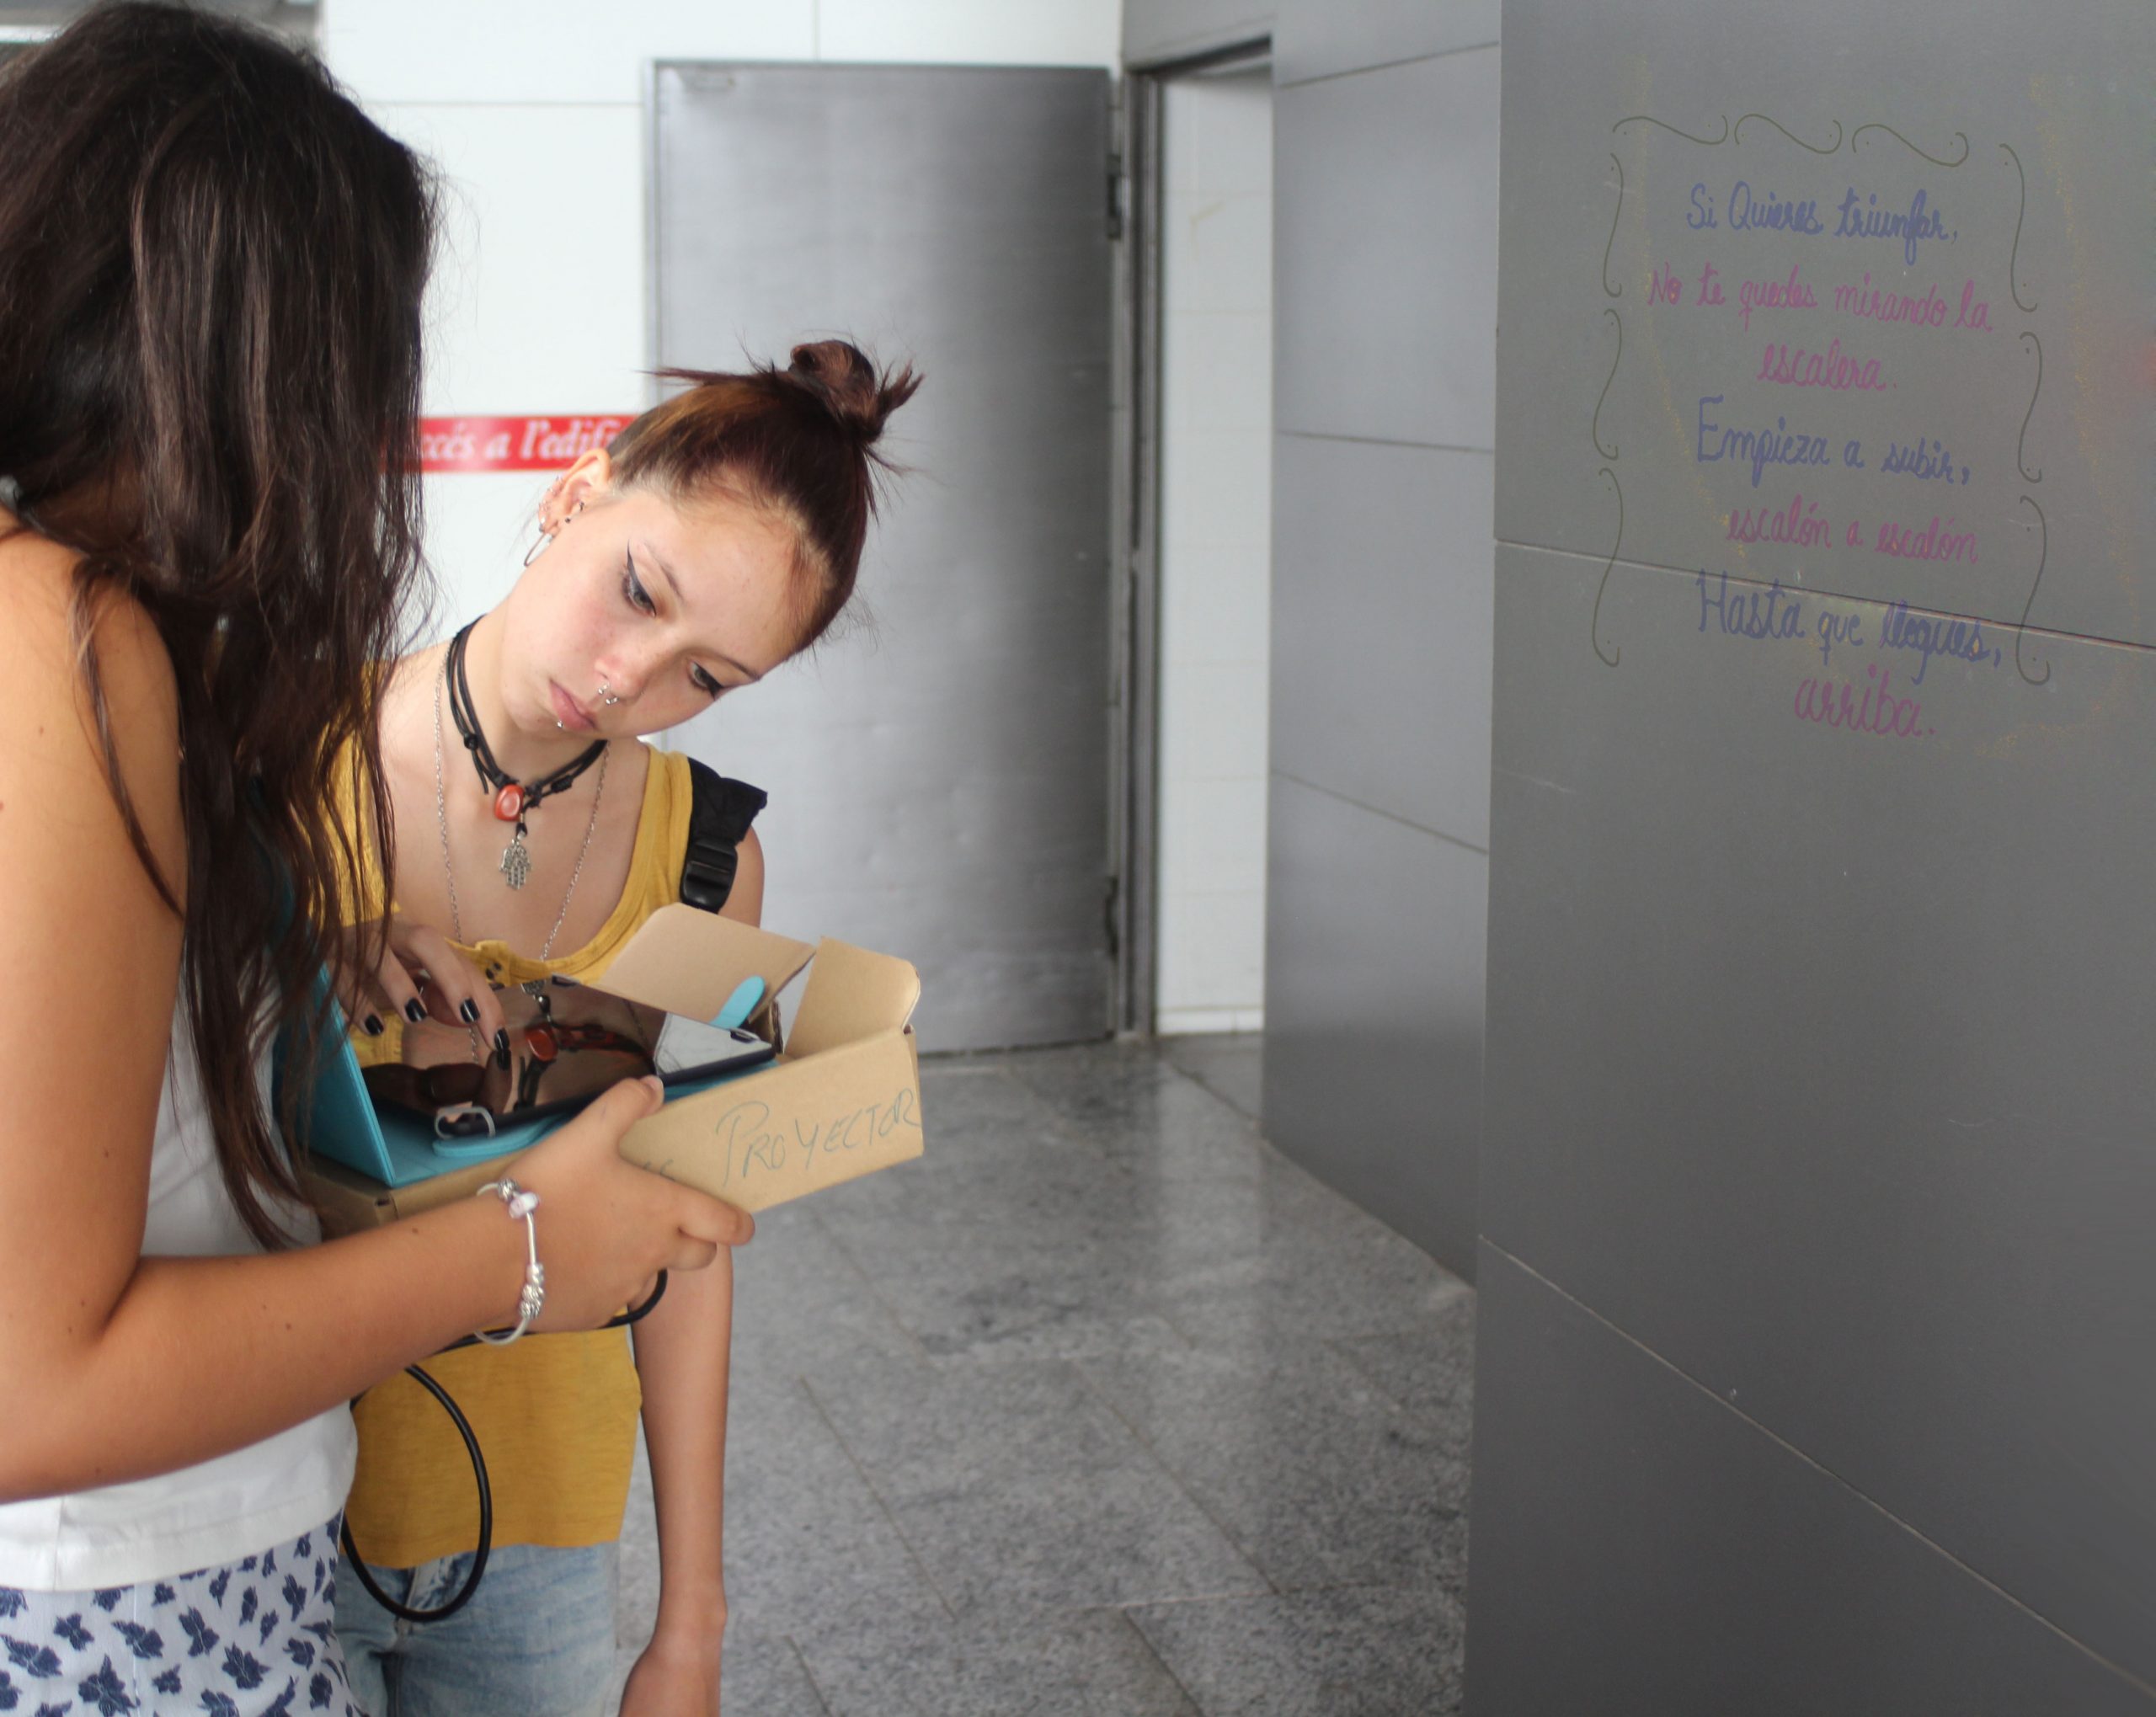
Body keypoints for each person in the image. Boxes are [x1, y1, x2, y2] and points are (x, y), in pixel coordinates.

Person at [0, 10, 749, 1714]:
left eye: (714, 671)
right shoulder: (63, 636)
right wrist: (521, 1252)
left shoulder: (67, 624)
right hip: (121, 1599)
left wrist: (287, 941)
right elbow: (27, 1391)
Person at [328, 343, 921, 1716]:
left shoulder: (704, 856)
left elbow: (689, 1239)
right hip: (274, 1497)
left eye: (705, 676)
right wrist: (294, 959)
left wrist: (691, 1621)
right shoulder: (286, 757)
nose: (627, 678)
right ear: (576, 490)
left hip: (543, 1521)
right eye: (638, 592)